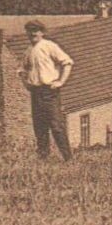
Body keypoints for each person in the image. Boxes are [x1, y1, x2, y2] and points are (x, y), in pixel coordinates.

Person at [20, 20, 73, 160]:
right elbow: (22, 70)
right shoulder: (28, 51)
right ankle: (43, 157)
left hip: (49, 92)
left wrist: (60, 81)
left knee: (56, 125)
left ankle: (68, 158)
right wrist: (26, 84)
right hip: (35, 92)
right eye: (29, 30)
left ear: (42, 32)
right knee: (39, 126)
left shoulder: (49, 46)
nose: (32, 34)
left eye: (35, 30)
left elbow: (67, 62)